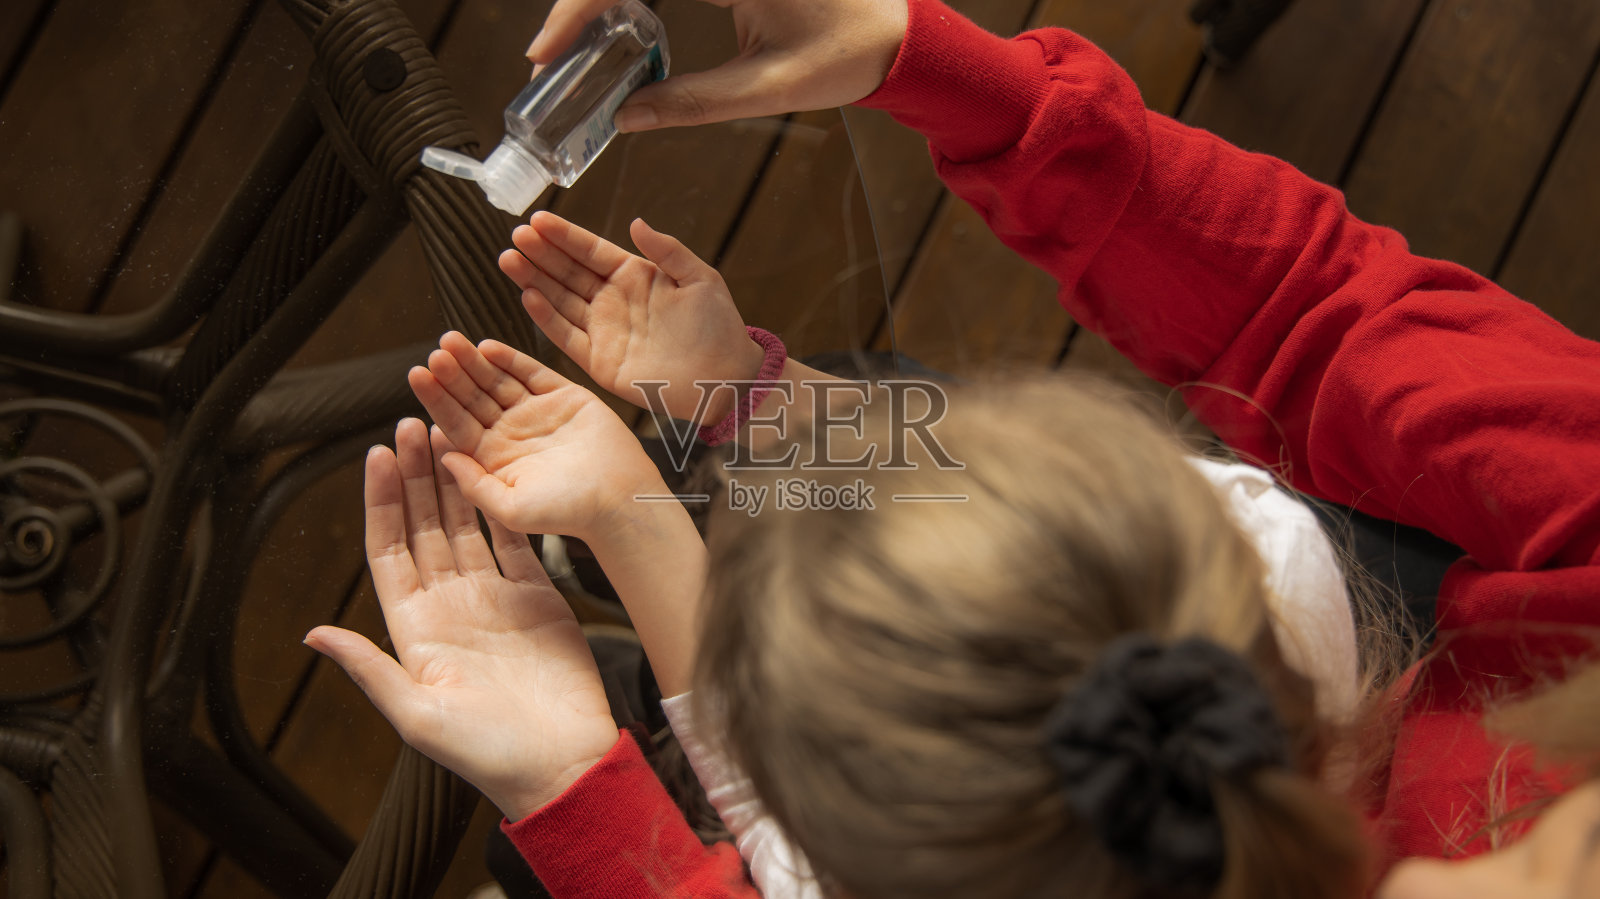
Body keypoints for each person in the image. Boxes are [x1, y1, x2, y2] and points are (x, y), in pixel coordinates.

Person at [306, 0, 1600, 895]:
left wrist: (581, 776)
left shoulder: (1249, 586)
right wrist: (749, 407)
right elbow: (1285, 327)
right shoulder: (1273, 567)